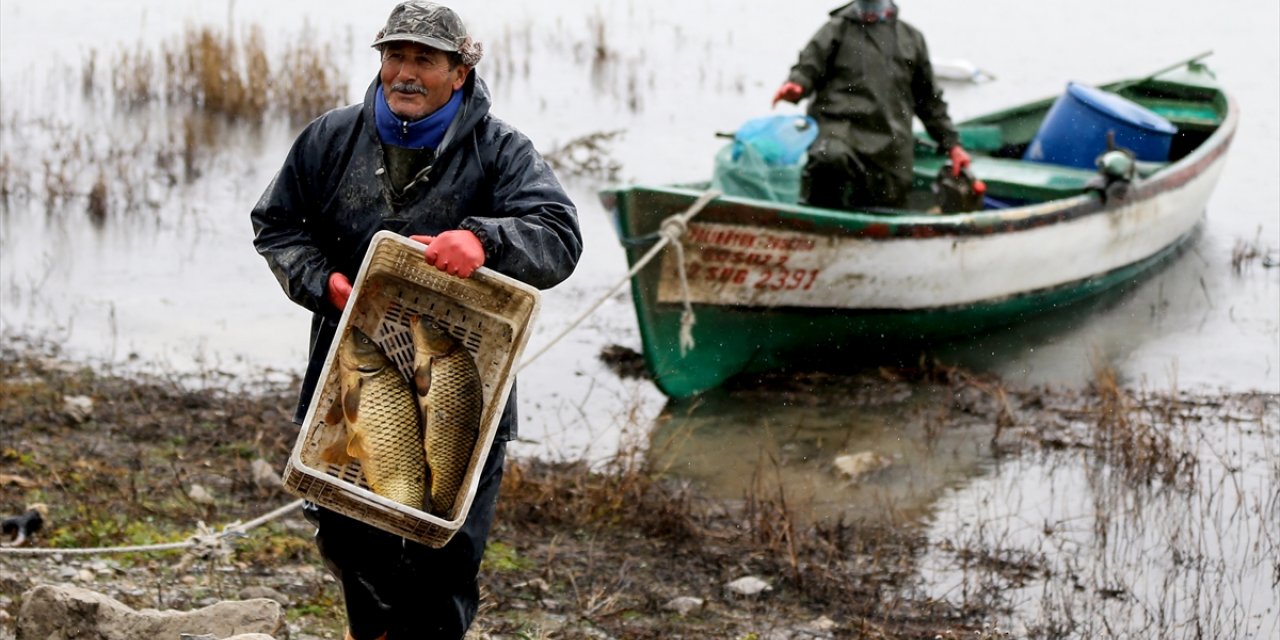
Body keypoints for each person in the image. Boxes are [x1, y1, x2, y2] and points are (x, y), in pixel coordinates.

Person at [250, 2, 582, 638]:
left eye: (424, 60)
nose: (405, 72)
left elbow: (559, 236)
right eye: (394, 56)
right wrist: (324, 282)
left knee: (444, 560)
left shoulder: (501, 150)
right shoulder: (329, 138)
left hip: (466, 384)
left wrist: (486, 241)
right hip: (346, 370)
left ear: (459, 72)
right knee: (350, 543)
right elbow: (277, 226)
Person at [772, 0, 972, 210]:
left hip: (890, 143)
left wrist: (953, 145)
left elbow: (929, 101)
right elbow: (807, 68)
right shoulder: (836, 29)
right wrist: (796, 85)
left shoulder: (910, 38)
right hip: (840, 132)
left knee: (889, 198)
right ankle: (821, 223)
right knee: (829, 158)